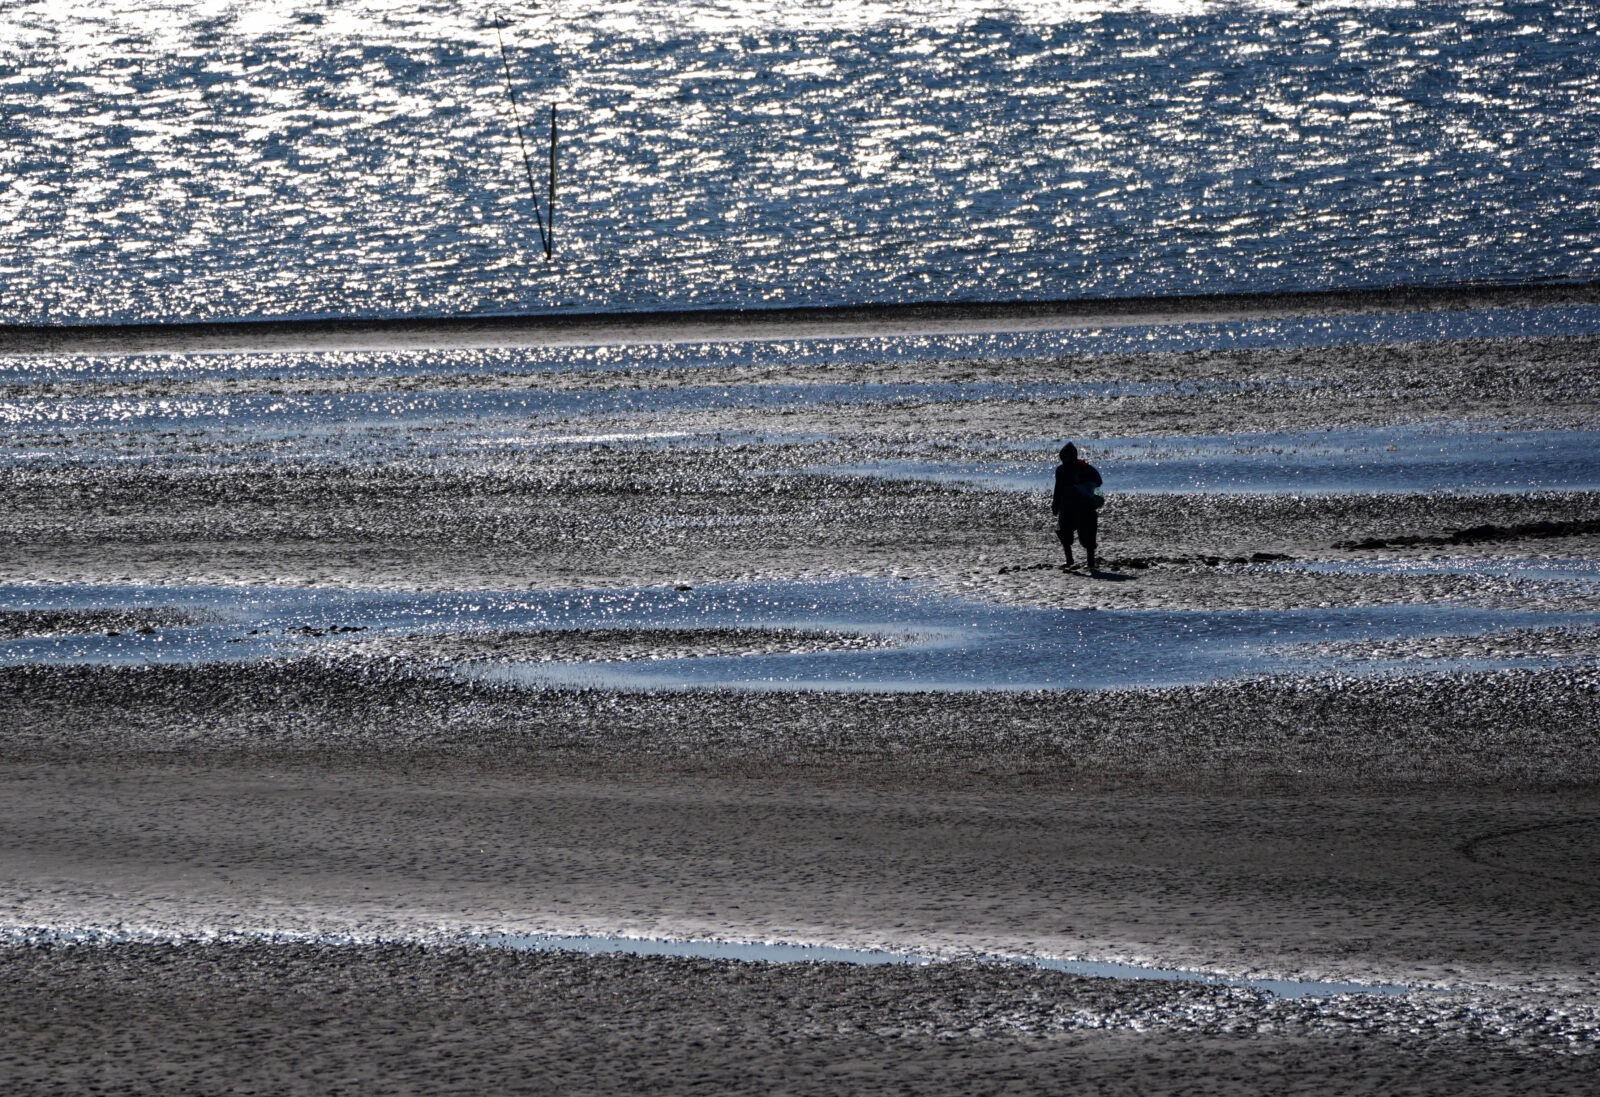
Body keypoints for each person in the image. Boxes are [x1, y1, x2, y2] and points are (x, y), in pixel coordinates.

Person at [1051, 442, 1103, 571]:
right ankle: (1075, 561)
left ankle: (1082, 562)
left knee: (1082, 535)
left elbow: (1058, 489)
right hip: (1075, 507)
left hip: (1079, 508)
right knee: (1067, 533)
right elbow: (1099, 481)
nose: (1063, 459)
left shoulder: (1065, 470)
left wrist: (1055, 504)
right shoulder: (1083, 467)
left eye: (1064, 457)